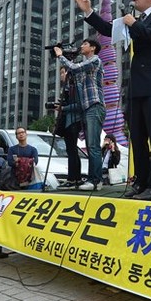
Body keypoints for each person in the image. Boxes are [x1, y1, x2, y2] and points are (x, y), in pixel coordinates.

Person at [74, 0, 151, 200]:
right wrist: (89, 11)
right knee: (137, 138)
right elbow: (108, 29)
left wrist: (134, 24)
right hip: (137, 88)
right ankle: (141, 183)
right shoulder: (134, 20)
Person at [54, 38, 105, 191]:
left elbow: (75, 68)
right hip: (86, 108)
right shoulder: (84, 65)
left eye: (85, 44)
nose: (81, 46)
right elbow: (73, 75)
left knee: (93, 145)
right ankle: (92, 179)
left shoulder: (95, 60)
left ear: (93, 48)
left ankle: (95, 180)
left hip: (94, 106)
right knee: (90, 145)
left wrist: (60, 55)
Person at [55, 67, 84, 189]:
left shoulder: (75, 87)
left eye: (63, 72)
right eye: (61, 73)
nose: (61, 75)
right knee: (71, 150)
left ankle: (73, 179)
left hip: (73, 122)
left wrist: (63, 108)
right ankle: (75, 178)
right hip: (68, 122)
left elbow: (80, 105)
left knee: (72, 151)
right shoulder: (67, 88)